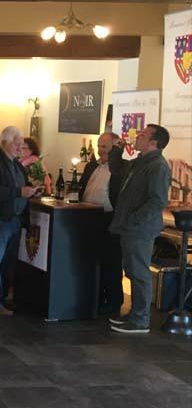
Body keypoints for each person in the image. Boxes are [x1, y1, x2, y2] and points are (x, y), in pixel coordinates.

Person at [108, 124, 171, 334]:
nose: (137, 136)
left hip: (140, 228)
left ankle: (140, 320)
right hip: (130, 226)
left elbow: (157, 201)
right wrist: (116, 150)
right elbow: (116, 169)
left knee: (139, 272)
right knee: (132, 271)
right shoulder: (140, 162)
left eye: (142, 135)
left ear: (153, 142)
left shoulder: (158, 166)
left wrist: (135, 219)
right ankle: (135, 314)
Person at [0, 126, 36, 316]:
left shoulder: (17, 165)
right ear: (6, 143)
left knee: (6, 262)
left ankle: (0, 297)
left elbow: (21, 186)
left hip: (14, 219)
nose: (21, 148)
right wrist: (19, 192)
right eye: (18, 144)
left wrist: (31, 190)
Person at [79, 132, 123, 315]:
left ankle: (113, 301)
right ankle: (95, 296)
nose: (100, 150)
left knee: (111, 262)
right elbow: (81, 186)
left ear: (115, 148)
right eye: (99, 146)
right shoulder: (91, 166)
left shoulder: (120, 168)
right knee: (93, 260)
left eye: (105, 147)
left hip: (110, 218)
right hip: (90, 217)